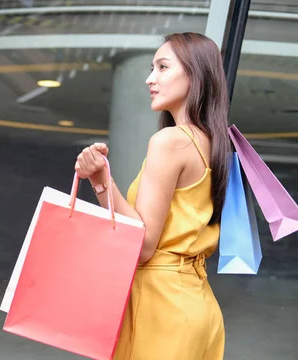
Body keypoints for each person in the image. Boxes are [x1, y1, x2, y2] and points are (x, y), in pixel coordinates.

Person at [75, 32, 230, 359]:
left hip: (160, 303)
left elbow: (143, 245)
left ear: (195, 75)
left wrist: (102, 181)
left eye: (162, 67)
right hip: (195, 301)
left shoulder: (170, 142)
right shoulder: (215, 145)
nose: (150, 79)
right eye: (151, 68)